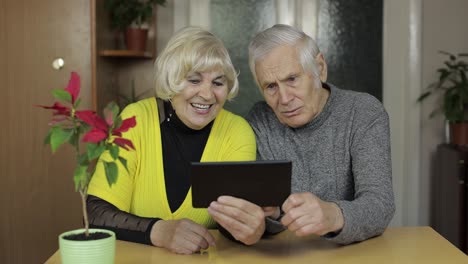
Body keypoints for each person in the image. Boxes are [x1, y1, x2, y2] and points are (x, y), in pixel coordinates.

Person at [208, 24, 395, 245]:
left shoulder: (363, 112)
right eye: (270, 86)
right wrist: (268, 214)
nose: (285, 98)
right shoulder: (260, 120)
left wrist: (333, 215)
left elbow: (380, 205)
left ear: (320, 68)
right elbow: (258, 213)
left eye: (292, 79)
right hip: (284, 254)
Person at [86, 26, 256, 254]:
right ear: (171, 80)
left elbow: (234, 224)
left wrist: (249, 226)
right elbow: (97, 212)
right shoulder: (135, 119)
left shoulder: (237, 132)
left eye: (218, 82)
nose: (207, 94)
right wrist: (159, 231)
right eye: (194, 80)